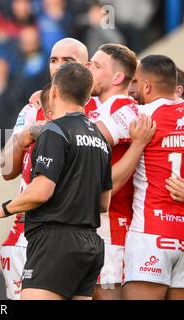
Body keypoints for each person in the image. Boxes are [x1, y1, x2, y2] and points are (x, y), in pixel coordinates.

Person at [0, 62, 112, 300]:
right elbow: (103, 202)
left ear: (55, 92)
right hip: (90, 244)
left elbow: (42, 191)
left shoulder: (54, 130)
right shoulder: (99, 136)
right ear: (88, 96)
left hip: (55, 243)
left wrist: (4, 209)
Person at [0, 38, 95, 300]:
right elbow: (6, 168)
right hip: (27, 234)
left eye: (68, 61)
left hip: (80, 234)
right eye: (54, 60)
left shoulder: (96, 112)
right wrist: (24, 137)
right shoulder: (34, 108)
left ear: (87, 67)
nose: (58, 67)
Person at [96, 55, 184, 300]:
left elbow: (90, 137)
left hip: (150, 234)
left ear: (146, 86)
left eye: (135, 82)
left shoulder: (140, 115)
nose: (131, 89)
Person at [86, 43, 156, 299]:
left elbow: (84, 141)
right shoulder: (92, 106)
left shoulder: (127, 108)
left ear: (117, 77)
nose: (87, 68)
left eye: (96, 65)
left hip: (111, 228)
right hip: (85, 228)